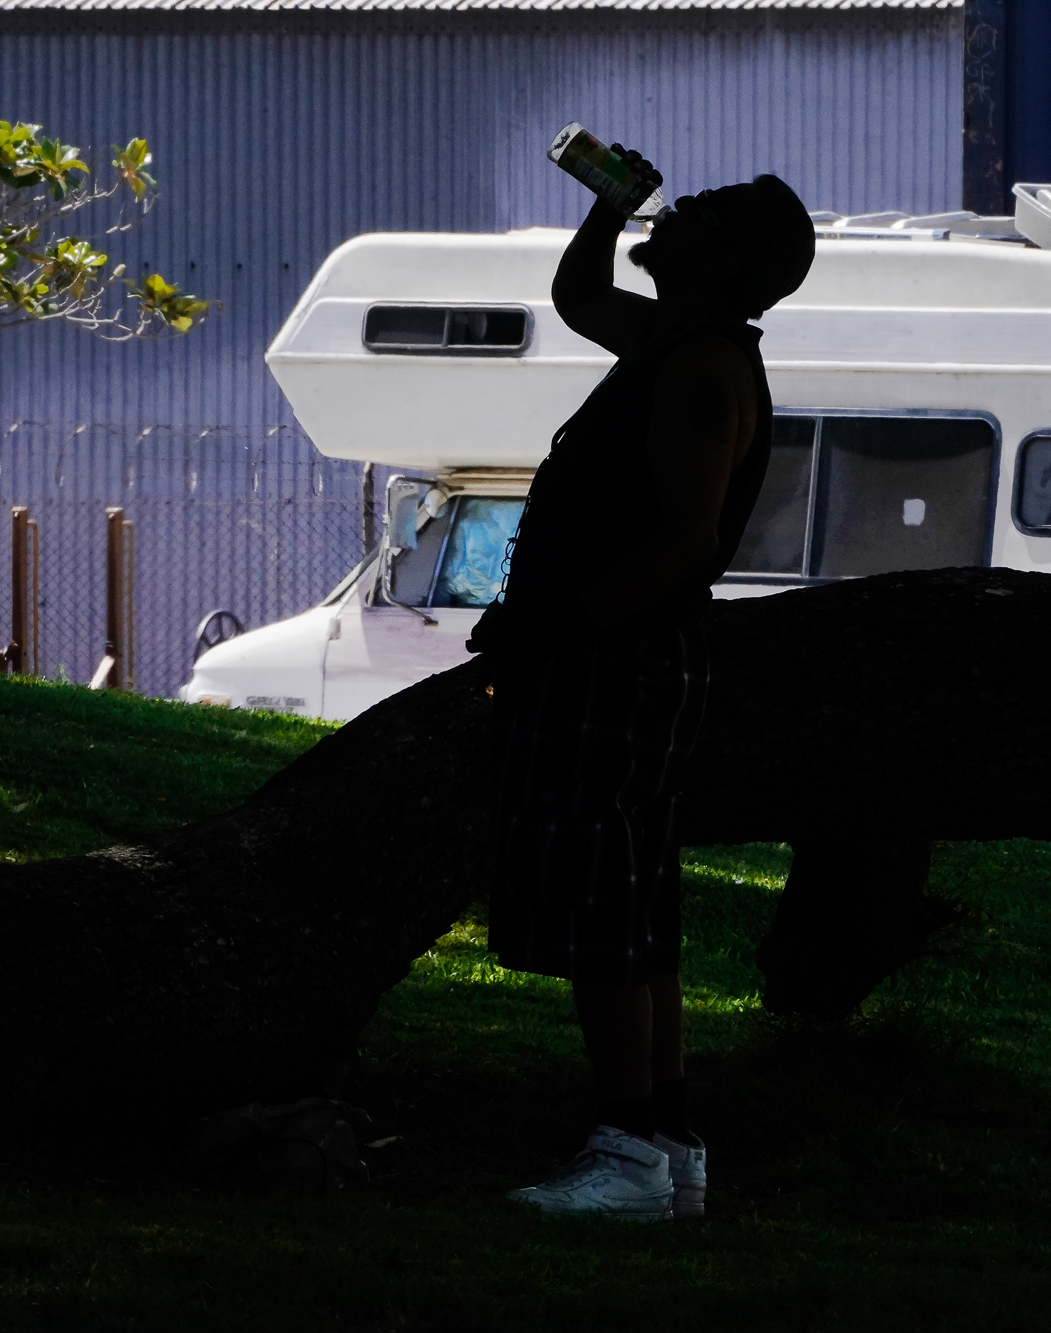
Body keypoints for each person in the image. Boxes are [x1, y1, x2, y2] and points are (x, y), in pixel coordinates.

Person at [467, 151, 816, 1221]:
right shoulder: (671, 342)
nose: (672, 216)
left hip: (616, 664)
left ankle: (626, 1148)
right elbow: (578, 295)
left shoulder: (700, 370)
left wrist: (549, 628)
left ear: (722, 262)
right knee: (633, 898)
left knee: (604, 900)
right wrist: (605, 209)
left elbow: (684, 540)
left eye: (693, 216)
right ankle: (665, 1145)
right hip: (618, 658)